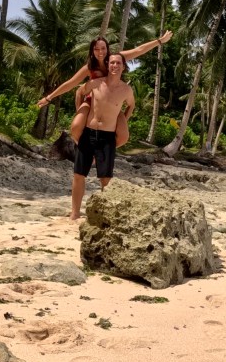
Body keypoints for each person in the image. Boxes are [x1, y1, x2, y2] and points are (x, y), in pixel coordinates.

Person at [37, 31, 171, 147]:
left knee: (123, 137)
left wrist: (160, 41)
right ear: (92, 51)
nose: (100, 52)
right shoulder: (89, 67)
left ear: (107, 49)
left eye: (103, 48)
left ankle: (105, 150)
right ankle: (84, 148)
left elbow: (139, 50)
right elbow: (70, 84)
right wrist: (49, 98)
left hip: (113, 103)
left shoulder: (116, 59)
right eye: (96, 49)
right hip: (92, 101)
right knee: (76, 127)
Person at [69, 52, 135, 221]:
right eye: (111, 63)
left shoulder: (126, 90)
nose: (114, 66)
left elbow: (131, 106)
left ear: (123, 66)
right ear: (108, 65)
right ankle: (75, 213)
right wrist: (81, 111)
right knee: (79, 174)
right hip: (89, 132)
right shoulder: (96, 83)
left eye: (118, 63)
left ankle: (106, 215)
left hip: (107, 137)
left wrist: (122, 120)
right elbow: (79, 92)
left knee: (105, 178)